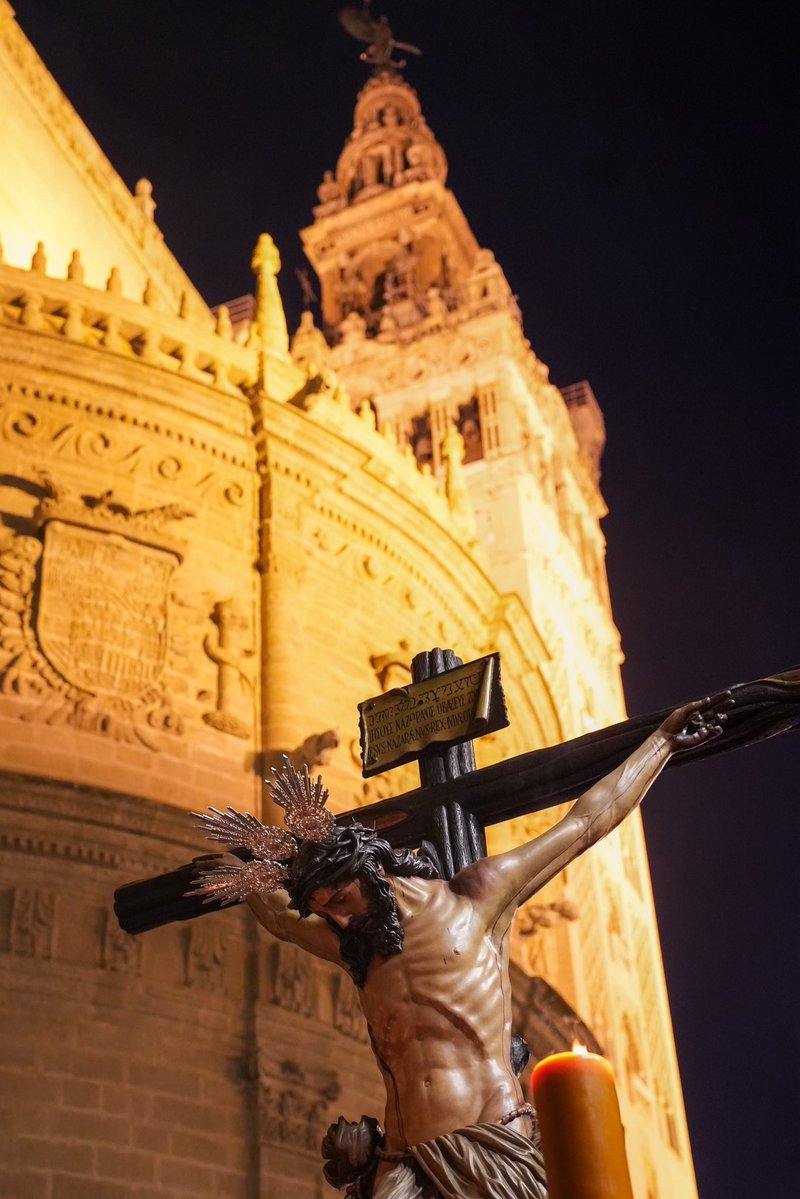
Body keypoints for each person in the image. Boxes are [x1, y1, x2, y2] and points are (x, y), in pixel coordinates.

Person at [194, 693, 732, 1198]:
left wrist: (660, 743)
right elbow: (285, 923)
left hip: (488, 1143)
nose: (335, 917)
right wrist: (231, 873)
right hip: (404, 1160)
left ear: (370, 868)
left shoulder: (476, 899)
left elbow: (586, 823)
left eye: (339, 898)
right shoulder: (360, 951)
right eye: (324, 907)